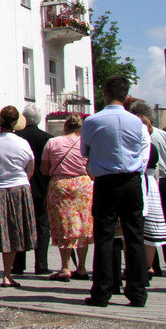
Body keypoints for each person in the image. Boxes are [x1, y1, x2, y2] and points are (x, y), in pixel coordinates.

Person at [81, 75, 150, 308]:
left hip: (106, 181)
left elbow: (85, 150)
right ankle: (138, 292)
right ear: (126, 96)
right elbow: (142, 151)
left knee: (104, 237)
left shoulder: (92, 121)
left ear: (106, 94)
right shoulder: (137, 123)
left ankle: (102, 292)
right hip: (131, 181)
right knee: (135, 237)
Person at [0, 106, 35, 288]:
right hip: (18, 188)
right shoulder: (23, 143)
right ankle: (6, 275)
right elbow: (30, 169)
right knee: (12, 234)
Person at [129, 101, 166, 277]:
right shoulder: (164, 136)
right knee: (161, 222)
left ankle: (152, 265)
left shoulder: (136, 135)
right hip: (160, 179)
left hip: (145, 179)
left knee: (144, 224)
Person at [41, 115, 93, 282]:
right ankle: (82, 267)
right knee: (83, 225)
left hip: (60, 184)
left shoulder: (53, 142)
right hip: (83, 184)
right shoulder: (86, 143)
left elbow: (44, 169)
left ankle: (65, 267)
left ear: (65, 127)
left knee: (64, 225)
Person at [11, 104, 51, 277]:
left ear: (24, 118)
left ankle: (18, 264)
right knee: (42, 227)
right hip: (42, 188)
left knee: (20, 225)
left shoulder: (17, 137)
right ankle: (41, 264)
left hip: (22, 185)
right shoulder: (48, 138)